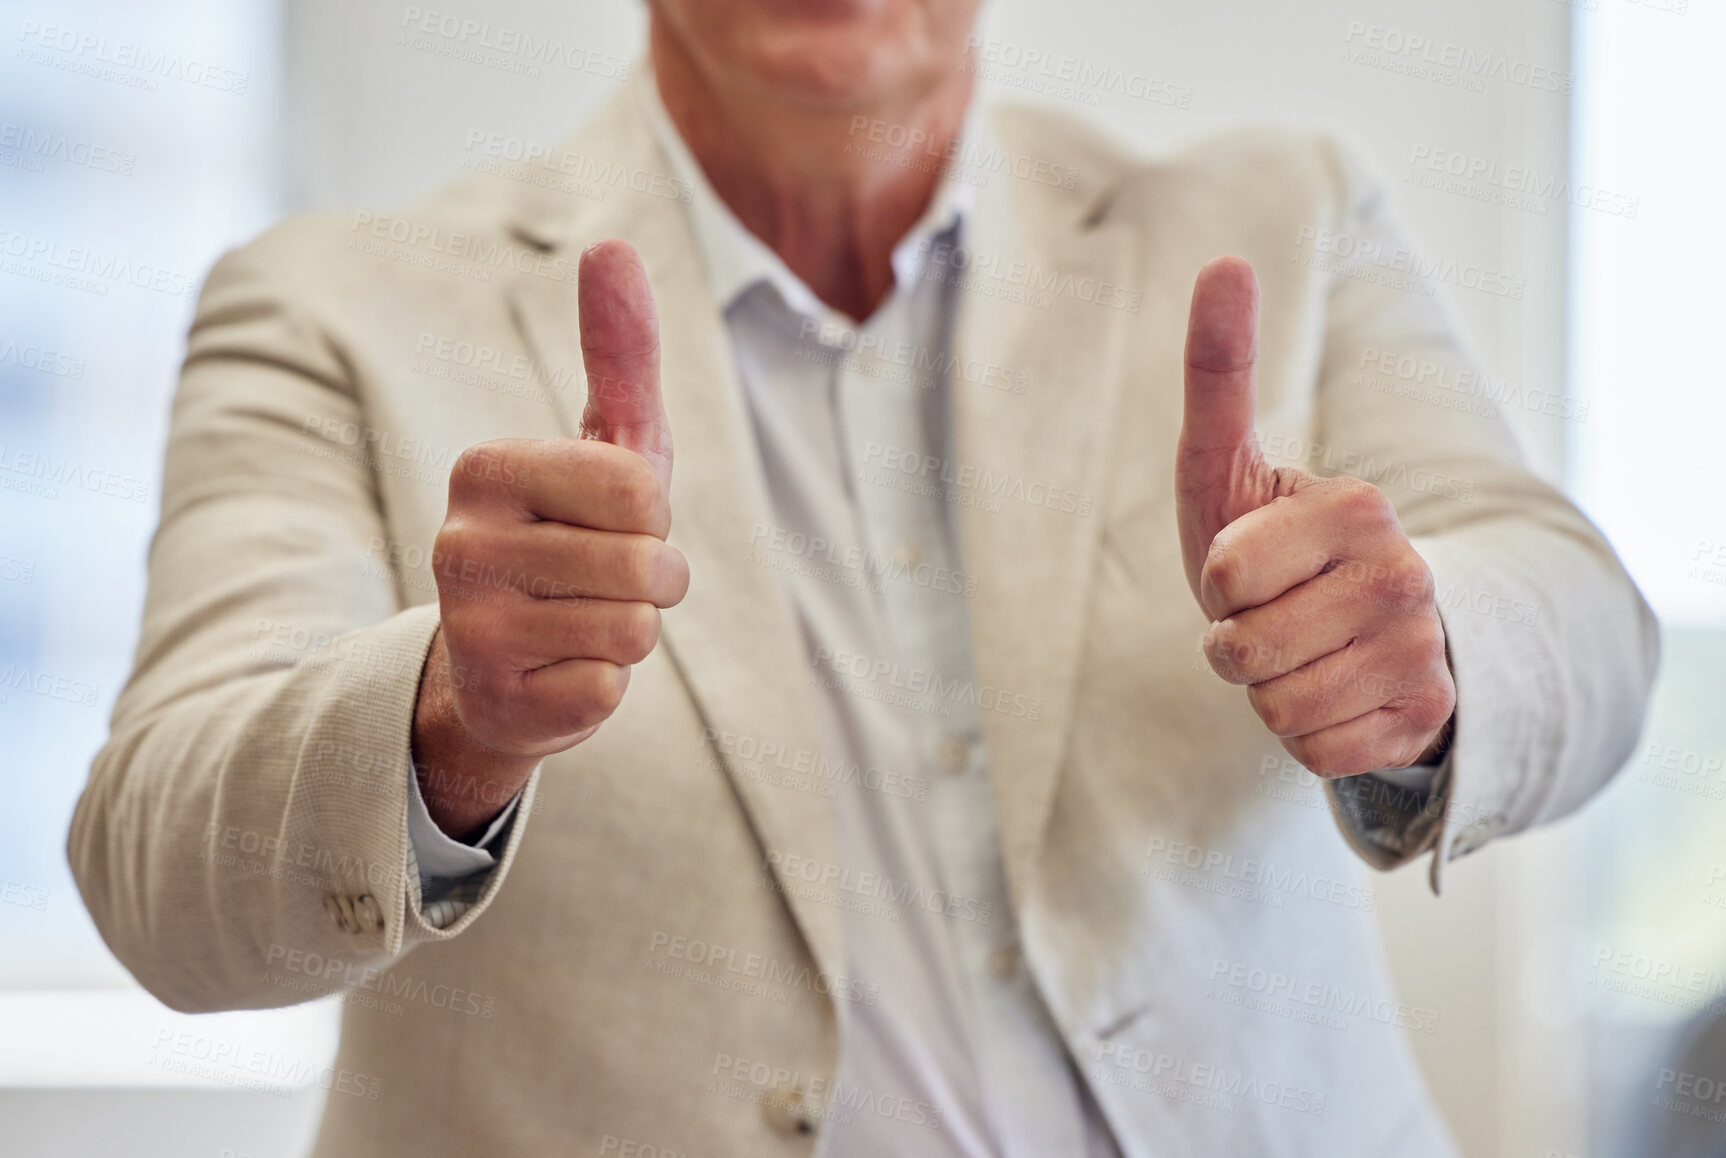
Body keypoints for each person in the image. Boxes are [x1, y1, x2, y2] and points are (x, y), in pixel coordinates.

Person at [69, 1, 1657, 1154]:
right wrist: (436, 723)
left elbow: (1581, 620)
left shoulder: (1284, 216)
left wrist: (1424, 646)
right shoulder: (327, 307)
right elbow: (157, 871)